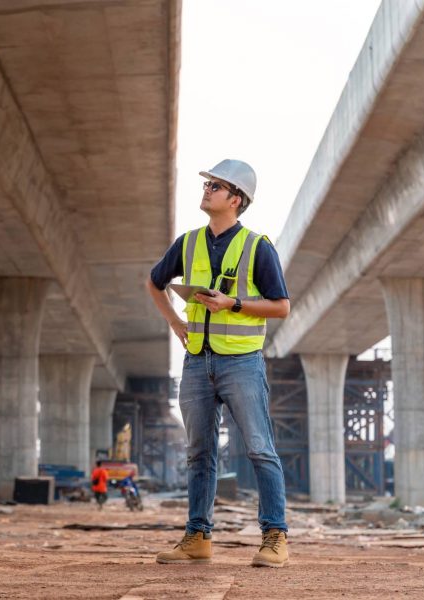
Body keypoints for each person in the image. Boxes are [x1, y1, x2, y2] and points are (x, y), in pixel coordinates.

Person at [146, 159, 291, 568]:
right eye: (208, 183)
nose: (207, 188)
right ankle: (197, 537)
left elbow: (281, 307)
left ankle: (275, 536)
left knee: (260, 449)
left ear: (236, 199)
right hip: (197, 364)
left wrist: (234, 304)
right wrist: (175, 322)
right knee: (199, 454)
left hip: (242, 363)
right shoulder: (188, 243)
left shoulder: (257, 246)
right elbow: (154, 282)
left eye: (217, 185)